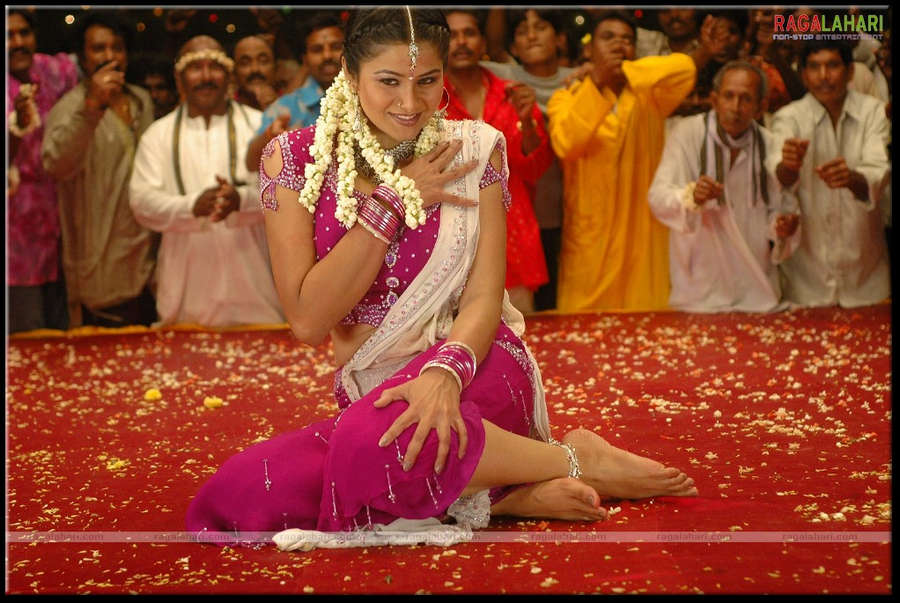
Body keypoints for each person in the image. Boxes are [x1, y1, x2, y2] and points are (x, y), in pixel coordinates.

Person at [186, 8, 697, 548]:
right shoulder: (293, 159)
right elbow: (309, 321)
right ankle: (531, 480)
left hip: (474, 362)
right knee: (238, 495)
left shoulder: (474, 148)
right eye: (389, 81)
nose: (410, 103)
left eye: (427, 81)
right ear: (350, 73)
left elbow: (484, 297)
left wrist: (443, 374)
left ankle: (541, 468)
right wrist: (394, 201)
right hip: (373, 390)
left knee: (370, 448)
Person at [547, 10, 700, 312]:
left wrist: (626, 71)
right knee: (582, 335)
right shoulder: (566, 97)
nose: (619, 44)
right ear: (589, 49)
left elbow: (685, 68)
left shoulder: (650, 95)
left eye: (627, 40)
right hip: (591, 246)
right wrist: (597, 81)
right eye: (608, 38)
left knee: (649, 331)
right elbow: (567, 144)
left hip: (641, 245)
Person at [129, 35, 284, 327]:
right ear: (179, 79)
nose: (205, 76)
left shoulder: (260, 125)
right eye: (195, 67)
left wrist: (242, 201)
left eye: (214, 66)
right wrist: (191, 207)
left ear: (229, 76)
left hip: (258, 296)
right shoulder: (157, 135)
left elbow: (287, 195)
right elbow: (141, 203)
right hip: (185, 298)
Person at [649, 61, 801, 312]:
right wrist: (691, 196)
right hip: (697, 288)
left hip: (756, 288)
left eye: (746, 99)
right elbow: (658, 197)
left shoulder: (770, 144)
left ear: (761, 107)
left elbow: (780, 209)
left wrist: (783, 227)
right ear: (714, 99)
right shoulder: (686, 134)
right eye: (728, 96)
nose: (735, 107)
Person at [42, 11, 158, 328]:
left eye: (117, 48)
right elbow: (55, 166)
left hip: (148, 263)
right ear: (82, 57)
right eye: (98, 48)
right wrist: (91, 108)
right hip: (99, 267)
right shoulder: (69, 108)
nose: (109, 57)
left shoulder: (141, 101)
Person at [444, 9, 553, 314]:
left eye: (469, 33)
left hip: (512, 238)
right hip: (450, 243)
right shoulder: (430, 100)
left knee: (521, 335)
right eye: (452, 35)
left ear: (483, 42)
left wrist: (527, 123)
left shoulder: (512, 95)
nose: (461, 42)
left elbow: (535, 169)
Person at [768, 40, 890, 308]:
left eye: (832, 65)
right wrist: (788, 166)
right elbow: (777, 177)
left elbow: (879, 173)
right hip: (806, 282)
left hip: (867, 278)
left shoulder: (872, 113)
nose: (823, 76)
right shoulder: (788, 118)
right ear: (804, 75)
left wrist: (852, 179)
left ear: (850, 71)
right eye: (814, 67)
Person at [480, 9, 574, 311]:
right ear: (513, 46)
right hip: (525, 211)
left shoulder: (577, 79)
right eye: (522, 31)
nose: (532, 36)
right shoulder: (505, 78)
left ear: (560, 39)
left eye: (541, 27)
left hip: (571, 203)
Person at [7, 9, 79, 333]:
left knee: (63, 329)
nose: (17, 42)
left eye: (24, 33)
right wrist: (16, 127)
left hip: (62, 217)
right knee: (28, 333)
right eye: (8, 36)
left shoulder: (55, 71)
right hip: (15, 233)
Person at [244, 11, 345, 173]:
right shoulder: (286, 107)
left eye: (335, 47)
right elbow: (251, 164)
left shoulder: (369, 98)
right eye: (317, 50)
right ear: (305, 59)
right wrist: (271, 137)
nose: (327, 56)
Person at [232, 34, 279, 111]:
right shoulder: (223, 109)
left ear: (275, 68)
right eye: (245, 63)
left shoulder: (293, 106)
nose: (255, 69)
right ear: (233, 73)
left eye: (263, 61)